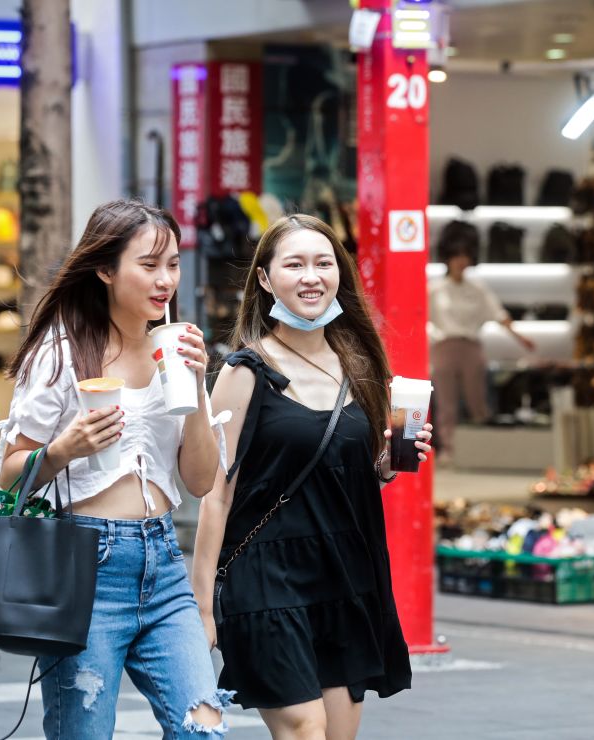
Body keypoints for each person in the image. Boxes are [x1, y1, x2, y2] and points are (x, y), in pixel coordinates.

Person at [0, 199, 231, 739]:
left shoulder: (176, 350)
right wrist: (62, 451)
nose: (165, 279)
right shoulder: (60, 353)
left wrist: (195, 383)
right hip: (85, 566)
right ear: (105, 269)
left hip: (164, 562)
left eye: (172, 264)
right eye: (148, 265)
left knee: (205, 728)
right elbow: (7, 473)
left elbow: (198, 481)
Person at [192, 214, 433, 739]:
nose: (311, 276)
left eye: (324, 263)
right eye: (294, 264)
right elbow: (216, 495)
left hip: (345, 576)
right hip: (265, 578)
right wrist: (202, 605)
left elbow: (354, 471)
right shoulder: (244, 371)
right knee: (305, 729)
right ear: (264, 279)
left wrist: (387, 466)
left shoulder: (359, 364)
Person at [428, 222, 535, 466]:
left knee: (478, 399)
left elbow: (499, 314)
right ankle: (448, 449)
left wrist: (521, 338)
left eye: (465, 255)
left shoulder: (477, 288)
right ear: (448, 257)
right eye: (456, 255)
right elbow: (418, 315)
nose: (461, 261)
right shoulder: (434, 288)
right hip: (444, 347)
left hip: (472, 346)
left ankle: (481, 449)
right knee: (446, 402)